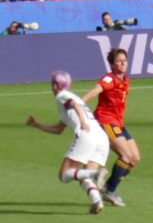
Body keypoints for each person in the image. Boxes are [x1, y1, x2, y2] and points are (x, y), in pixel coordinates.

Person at [25, 71, 109, 214]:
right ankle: (97, 202)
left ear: (55, 85)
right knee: (82, 174)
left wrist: (82, 121)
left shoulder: (61, 96)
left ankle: (96, 174)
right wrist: (37, 125)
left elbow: (74, 105)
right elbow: (58, 129)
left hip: (86, 135)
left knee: (64, 175)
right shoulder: (72, 98)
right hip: (101, 137)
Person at [80, 48, 139, 207]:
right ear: (112, 64)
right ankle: (110, 191)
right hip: (105, 121)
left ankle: (107, 188)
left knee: (134, 157)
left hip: (119, 122)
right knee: (125, 155)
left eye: (125, 60)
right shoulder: (109, 79)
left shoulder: (125, 79)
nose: (123, 63)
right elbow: (95, 91)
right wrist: (78, 103)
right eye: (119, 61)